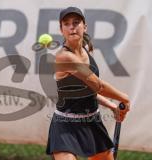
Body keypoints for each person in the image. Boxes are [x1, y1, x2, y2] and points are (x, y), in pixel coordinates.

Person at [46, 7, 130, 160]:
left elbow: (88, 90)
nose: (72, 27)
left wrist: (111, 106)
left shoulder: (86, 51)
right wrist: (124, 98)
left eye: (76, 22)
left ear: (84, 27)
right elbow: (99, 85)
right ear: (61, 29)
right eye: (67, 23)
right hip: (66, 125)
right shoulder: (64, 57)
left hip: (92, 123)